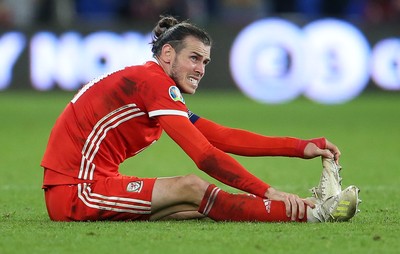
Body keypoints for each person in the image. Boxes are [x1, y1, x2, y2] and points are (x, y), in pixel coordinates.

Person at [41, 15, 359, 223]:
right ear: (168, 55)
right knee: (192, 187)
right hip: (75, 191)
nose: (200, 69)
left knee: (199, 205)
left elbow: (221, 137)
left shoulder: (155, 87)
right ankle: (316, 213)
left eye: (205, 61)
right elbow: (204, 156)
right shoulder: (152, 83)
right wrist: (268, 191)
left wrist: (301, 146)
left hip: (92, 184)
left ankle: (309, 210)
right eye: (194, 58)